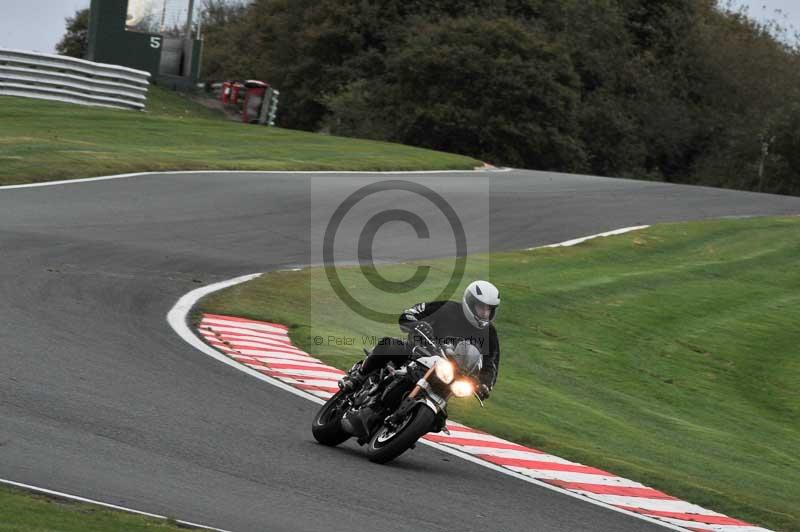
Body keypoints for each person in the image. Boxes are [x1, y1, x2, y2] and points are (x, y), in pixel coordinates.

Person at [340, 280, 501, 400]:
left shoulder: (489, 333)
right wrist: (417, 324)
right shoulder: (447, 308)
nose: (485, 313)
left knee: (439, 419)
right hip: (420, 352)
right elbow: (413, 312)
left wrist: (484, 384)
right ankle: (358, 377)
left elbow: (491, 364)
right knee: (390, 345)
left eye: (489, 309)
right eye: (481, 307)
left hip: (450, 375)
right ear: (470, 303)